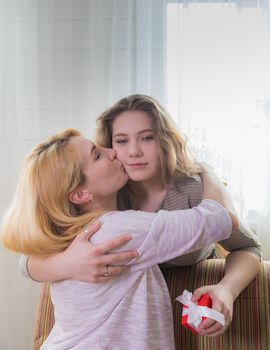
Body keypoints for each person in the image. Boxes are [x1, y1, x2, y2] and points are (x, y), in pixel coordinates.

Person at [21, 94, 261, 337]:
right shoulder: (109, 196)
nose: (133, 152)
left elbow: (248, 247)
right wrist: (68, 264)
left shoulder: (195, 190)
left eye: (147, 138)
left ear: (165, 141)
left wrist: (226, 290)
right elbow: (30, 259)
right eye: (121, 141)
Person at [0, 129, 235, 349]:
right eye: (97, 155)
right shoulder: (117, 230)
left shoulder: (70, 235)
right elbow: (218, 220)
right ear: (80, 194)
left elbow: (27, 264)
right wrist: (208, 173)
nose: (113, 152)